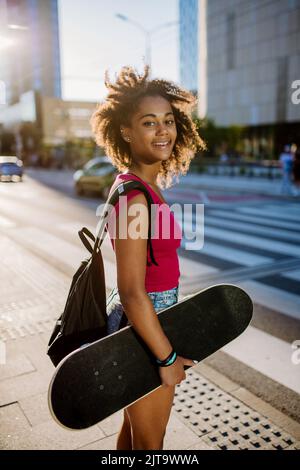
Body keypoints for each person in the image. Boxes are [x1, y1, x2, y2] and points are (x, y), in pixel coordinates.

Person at [91, 66, 205, 450]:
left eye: (169, 121)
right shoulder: (134, 196)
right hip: (141, 331)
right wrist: (167, 356)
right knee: (151, 446)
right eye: (149, 122)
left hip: (149, 324)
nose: (163, 131)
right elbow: (132, 292)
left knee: (134, 438)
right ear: (126, 130)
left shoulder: (139, 186)